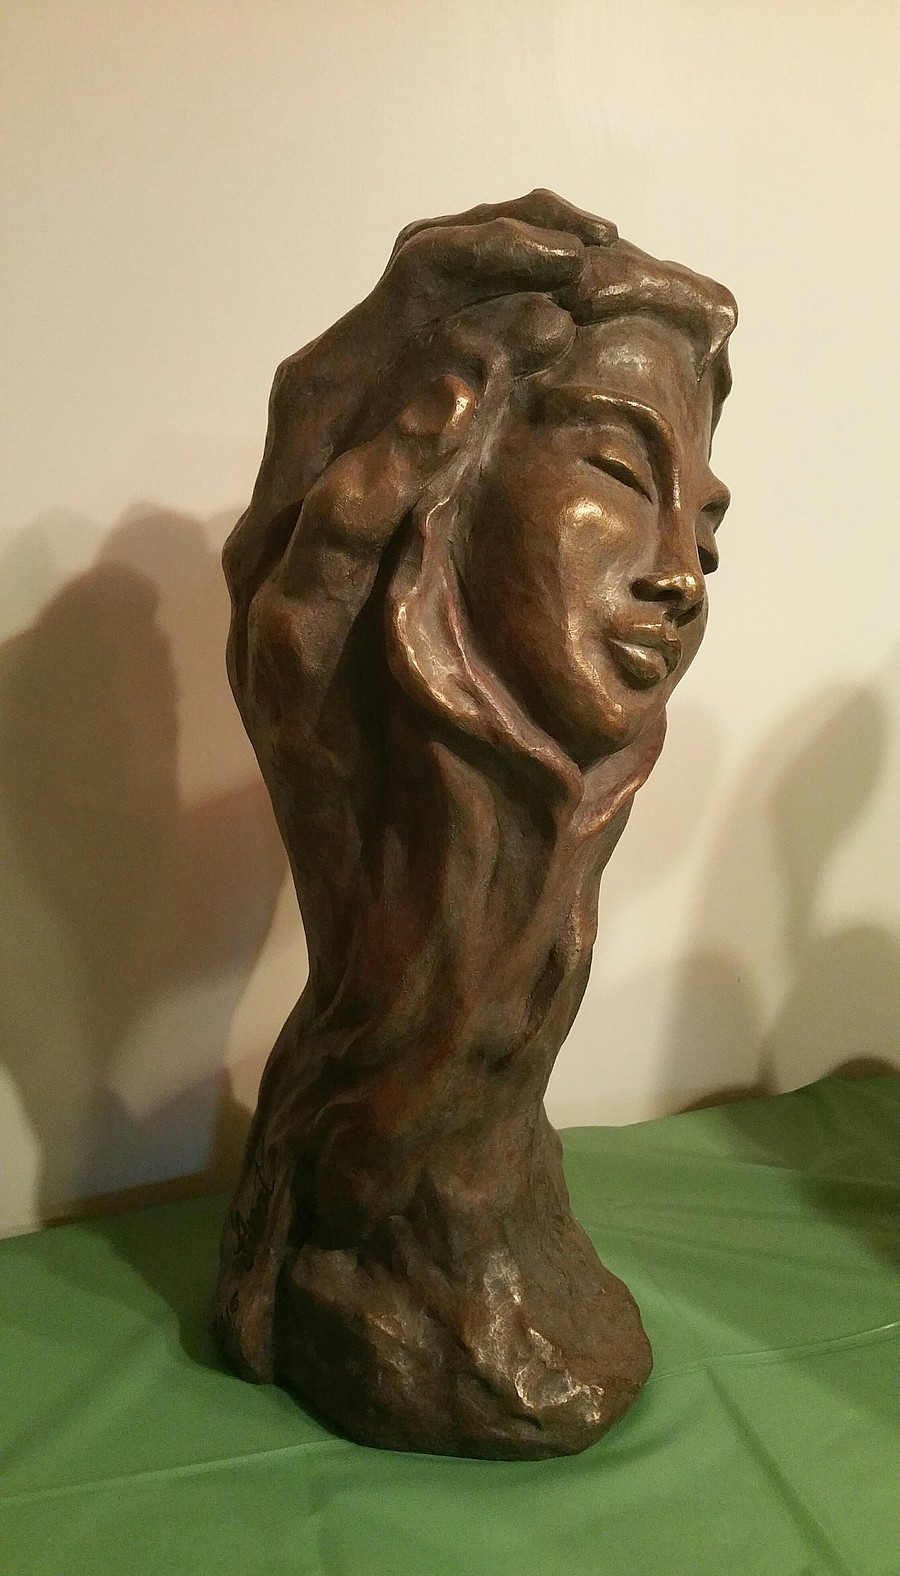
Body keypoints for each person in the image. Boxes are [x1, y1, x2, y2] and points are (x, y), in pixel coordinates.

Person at [215, 192, 737, 1459]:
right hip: (377, 1257)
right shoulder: (359, 742)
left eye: (708, 521)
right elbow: (301, 610)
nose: (680, 566)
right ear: (444, 465)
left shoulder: (576, 798)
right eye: (621, 474)